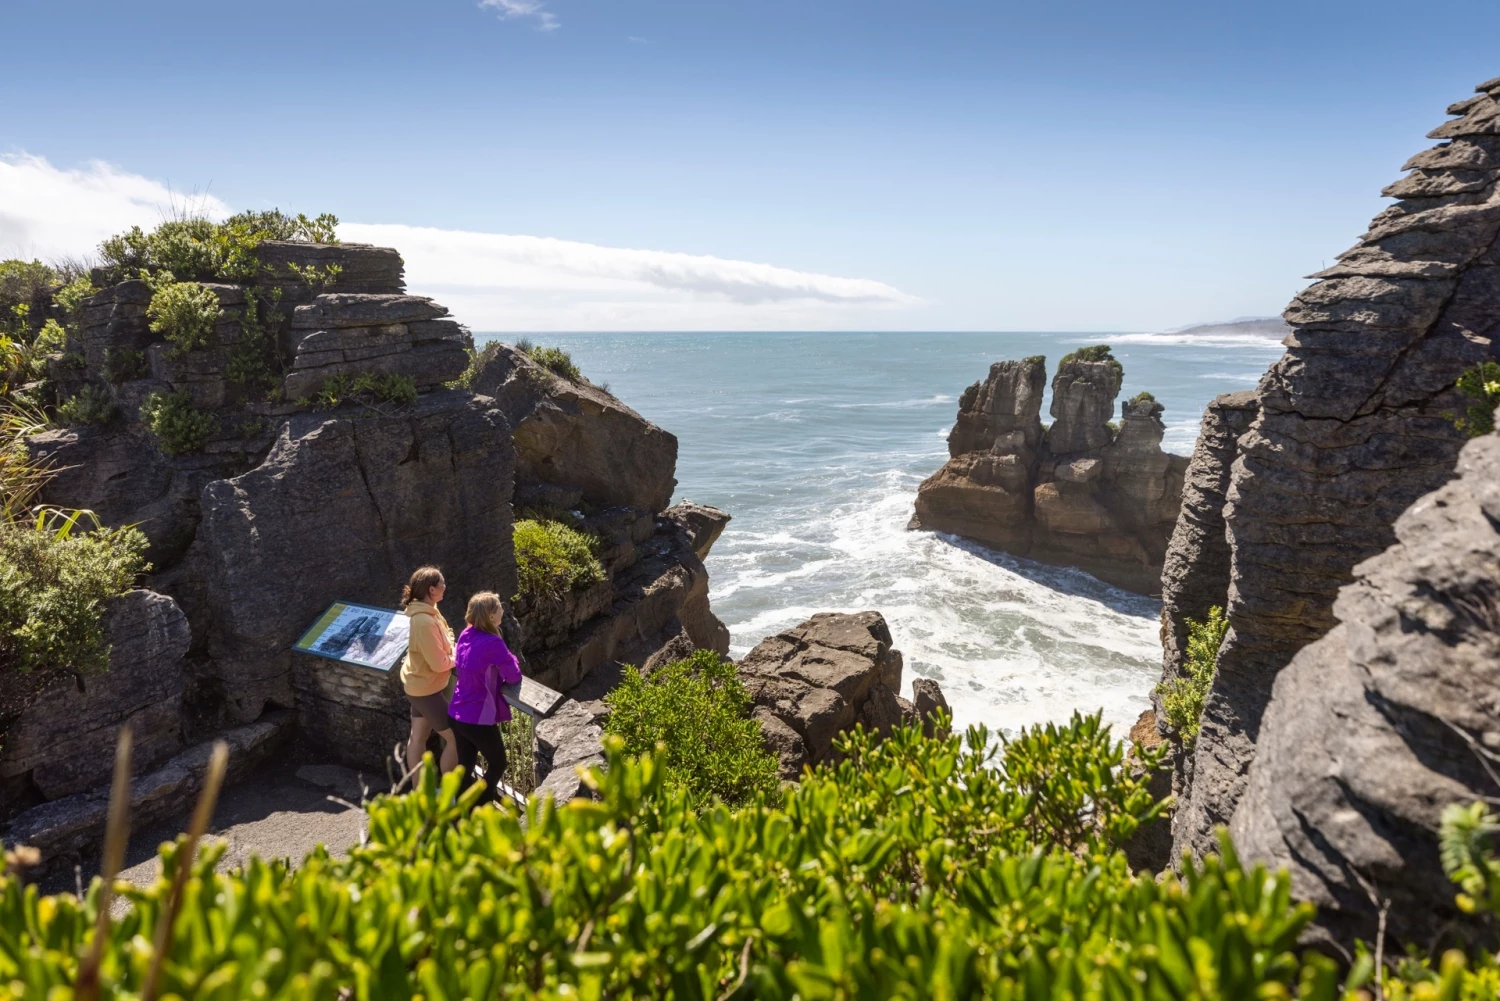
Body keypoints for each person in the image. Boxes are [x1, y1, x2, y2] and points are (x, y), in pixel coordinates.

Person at [447, 590, 523, 805]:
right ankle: (480, 806)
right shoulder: (493, 643)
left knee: (465, 766)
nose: (502, 610)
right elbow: (513, 675)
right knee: (498, 764)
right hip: (476, 716)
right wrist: (512, 658)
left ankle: (460, 812)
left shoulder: (466, 634)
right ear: (491, 615)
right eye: (499, 607)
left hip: (456, 712)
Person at [398, 566, 460, 775]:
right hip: (427, 690)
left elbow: (447, 636)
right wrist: (460, 656)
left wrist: (452, 649)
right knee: (457, 738)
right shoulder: (424, 621)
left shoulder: (428, 610)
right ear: (432, 589)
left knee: (418, 737)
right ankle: (449, 797)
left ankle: (420, 789)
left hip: (418, 685)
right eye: (442, 583)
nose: (445, 587)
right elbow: (439, 664)